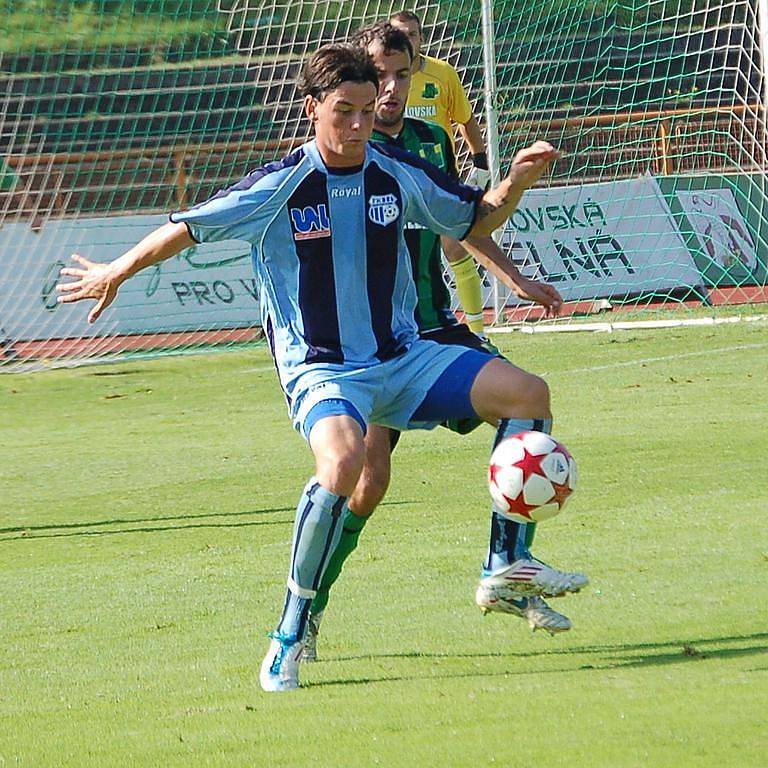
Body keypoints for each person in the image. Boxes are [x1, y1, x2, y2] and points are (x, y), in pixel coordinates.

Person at [56, 42, 575, 693]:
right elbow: (185, 228)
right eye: (344, 112)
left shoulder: (396, 170)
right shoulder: (280, 185)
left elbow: (474, 215)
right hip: (324, 370)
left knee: (529, 394)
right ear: (312, 109)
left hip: (402, 357)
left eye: (365, 111)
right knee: (343, 466)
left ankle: (506, 564)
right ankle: (291, 633)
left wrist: (517, 183)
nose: (358, 125)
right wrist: (114, 271)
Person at [301, 22, 582, 663]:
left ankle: (509, 567)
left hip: (435, 328)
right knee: (367, 483)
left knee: (524, 404)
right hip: (372, 345)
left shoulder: (425, 141)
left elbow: (461, 216)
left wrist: (511, 274)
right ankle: (308, 612)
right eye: (383, 78)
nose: (394, 90)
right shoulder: (339, 157)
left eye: (402, 76)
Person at [390, 9, 490, 336]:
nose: (407, 39)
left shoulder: (442, 74)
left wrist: (480, 161)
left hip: (437, 179)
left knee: (457, 246)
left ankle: (477, 331)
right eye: (399, 34)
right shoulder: (382, 78)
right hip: (393, 181)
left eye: (412, 34)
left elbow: (465, 118)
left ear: (421, 37)